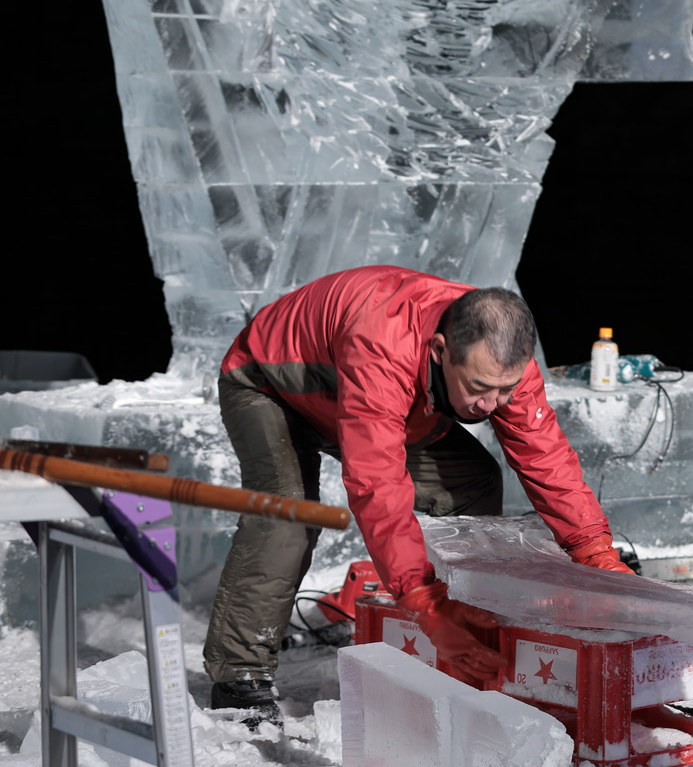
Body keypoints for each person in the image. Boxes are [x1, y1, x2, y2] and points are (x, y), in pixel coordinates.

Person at [203, 265, 633, 725]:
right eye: (478, 388)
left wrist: (596, 553)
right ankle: (239, 677)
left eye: (504, 391)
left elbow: (544, 455)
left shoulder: (505, 358)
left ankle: (468, 625)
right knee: (289, 516)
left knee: (474, 481)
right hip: (271, 387)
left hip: (372, 395)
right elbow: (378, 484)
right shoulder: (382, 345)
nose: (490, 406)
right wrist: (423, 602)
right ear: (440, 350)